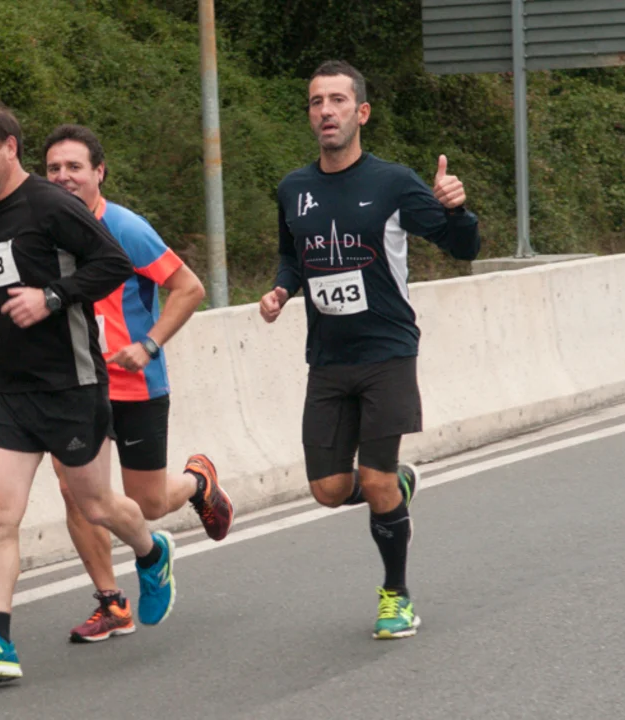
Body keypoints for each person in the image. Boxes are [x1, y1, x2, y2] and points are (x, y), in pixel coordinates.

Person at [0, 99, 177, 682]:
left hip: (70, 383)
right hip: (6, 387)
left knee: (97, 505)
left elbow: (113, 263)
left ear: (9, 147)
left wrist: (51, 298)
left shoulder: (51, 204)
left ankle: (152, 552)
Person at [259, 60, 480, 639]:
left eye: (337, 100)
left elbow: (463, 247)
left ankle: (396, 594)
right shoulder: (293, 189)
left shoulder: (394, 183)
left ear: (361, 112)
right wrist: (282, 289)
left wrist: (456, 209)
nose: (326, 111)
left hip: (388, 352)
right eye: (316, 102)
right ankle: (396, 488)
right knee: (328, 490)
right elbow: (292, 256)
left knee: (375, 479)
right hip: (327, 359)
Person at [43, 124, 234, 643]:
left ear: (99, 172)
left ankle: (197, 482)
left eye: (74, 167)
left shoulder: (125, 228)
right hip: (78, 386)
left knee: (147, 504)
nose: (63, 177)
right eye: (54, 168)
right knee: (75, 492)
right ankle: (111, 602)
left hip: (134, 384)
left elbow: (188, 288)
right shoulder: (43, 230)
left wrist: (149, 343)